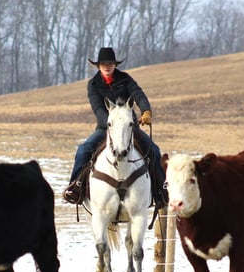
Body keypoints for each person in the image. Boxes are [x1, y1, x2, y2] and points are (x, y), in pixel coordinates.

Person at [62, 46, 168, 208]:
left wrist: (146, 111)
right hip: (105, 127)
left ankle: (161, 190)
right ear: (98, 66)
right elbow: (98, 108)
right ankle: (75, 186)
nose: (107, 66)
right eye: (103, 64)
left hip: (129, 127)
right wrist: (113, 123)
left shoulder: (125, 79)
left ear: (115, 65)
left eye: (110, 63)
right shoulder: (93, 84)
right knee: (83, 149)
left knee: (153, 150)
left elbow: (138, 95)